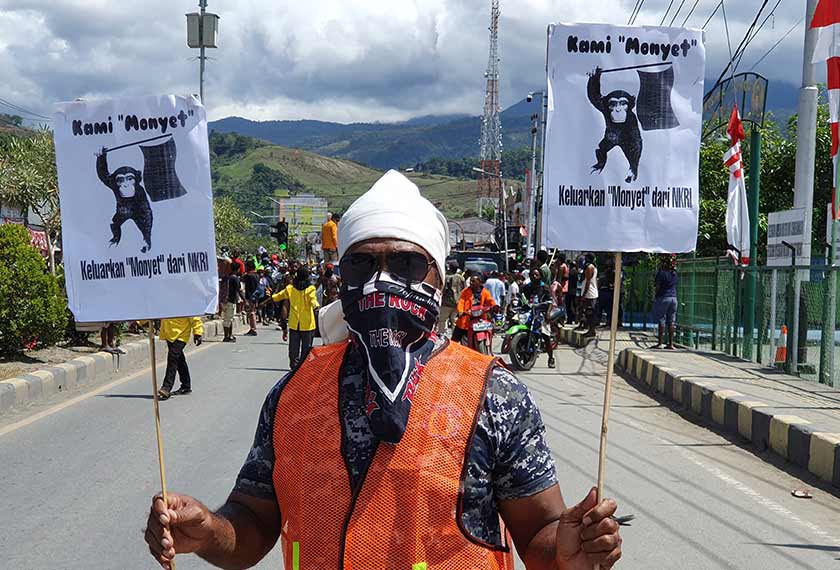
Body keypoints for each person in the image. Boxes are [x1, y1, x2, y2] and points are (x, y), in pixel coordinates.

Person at [144, 170, 622, 570]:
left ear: (438, 275)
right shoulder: (292, 395)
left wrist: (567, 554)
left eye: (407, 264)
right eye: (362, 264)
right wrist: (208, 532)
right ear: (341, 276)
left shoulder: (494, 395)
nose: (382, 281)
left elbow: (539, 528)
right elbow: (252, 520)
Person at [265, 267, 320, 366]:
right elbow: (313, 300)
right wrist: (317, 307)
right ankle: (296, 370)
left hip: (302, 325)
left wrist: (265, 301)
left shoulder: (305, 289)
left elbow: (277, 297)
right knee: (302, 351)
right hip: (303, 324)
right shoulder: (292, 289)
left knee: (296, 352)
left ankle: (300, 370)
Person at [157, 317, 202, 400]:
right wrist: (140, 321)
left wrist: (197, 332)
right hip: (169, 333)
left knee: (172, 358)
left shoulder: (186, 303)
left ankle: (166, 388)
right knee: (179, 360)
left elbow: (194, 316)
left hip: (181, 333)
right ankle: (186, 386)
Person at [521, 267, 557, 368]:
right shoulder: (527, 287)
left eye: (536, 275)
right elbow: (522, 298)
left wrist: (548, 312)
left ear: (541, 276)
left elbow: (550, 301)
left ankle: (551, 358)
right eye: (532, 275)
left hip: (541, 313)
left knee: (546, 336)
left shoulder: (545, 287)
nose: (534, 276)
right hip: (529, 312)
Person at [453, 274, 497, 346]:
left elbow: (490, 301)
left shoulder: (485, 292)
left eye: (473, 281)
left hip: (479, 320)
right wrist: (460, 311)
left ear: (479, 282)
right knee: (454, 341)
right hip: (465, 320)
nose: (471, 283)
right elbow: (461, 302)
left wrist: (494, 306)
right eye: (470, 281)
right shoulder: (465, 291)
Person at [653, 254, 678, 350]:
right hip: (674, 298)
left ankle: (660, 343)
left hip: (663, 297)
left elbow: (658, 286)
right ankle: (671, 344)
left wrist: (655, 295)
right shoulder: (674, 273)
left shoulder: (661, 273)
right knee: (671, 321)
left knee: (661, 320)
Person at [437, 260, 465, 335]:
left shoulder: (445, 277)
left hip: (446, 303)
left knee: (442, 320)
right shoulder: (461, 278)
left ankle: (441, 336)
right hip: (458, 303)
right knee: (455, 321)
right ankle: (455, 338)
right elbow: (464, 289)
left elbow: (441, 289)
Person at [222, 262, 244, 343]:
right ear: (238, 269)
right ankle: (226, 336)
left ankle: (229, 335)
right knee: (228, 319)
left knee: (228, 318)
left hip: (224, 300)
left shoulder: (227, 277)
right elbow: (239, 291)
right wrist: (245, 300)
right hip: (231, 300)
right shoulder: (235, 278)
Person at [579, 253, 599, 337]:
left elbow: (588, 281)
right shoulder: (593, 267)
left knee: (590, 313)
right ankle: (591, 330)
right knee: (589, 313)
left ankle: (591, 330)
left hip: (589, 294)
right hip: (591, 292)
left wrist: (583, 295)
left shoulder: (589, 267)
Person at [242, 260, 261, 336]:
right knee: (253, 312)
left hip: (250, 296)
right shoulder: (256, 275)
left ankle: (253, 329)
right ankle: (252, 328)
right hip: (255, 296)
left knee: (251, 312)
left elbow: (243, 278)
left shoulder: (249, 276)